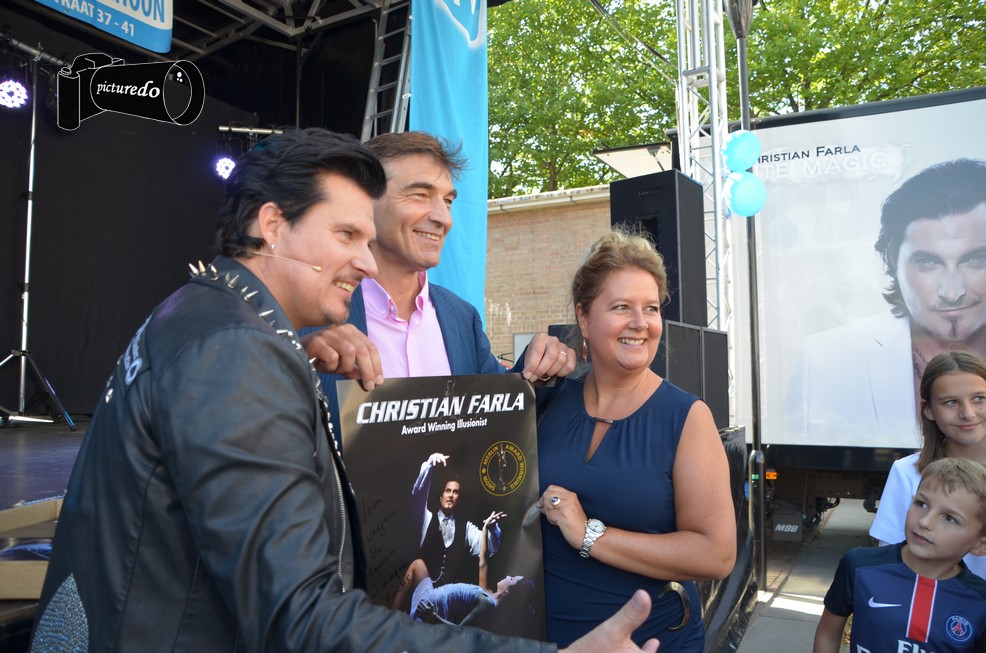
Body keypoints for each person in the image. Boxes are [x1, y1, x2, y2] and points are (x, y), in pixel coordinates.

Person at [28, 128, 660, 653]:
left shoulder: (203, 314)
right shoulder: (236, 348)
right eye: (345, 236)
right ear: (273, 225)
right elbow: (298, 615)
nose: (364, 261)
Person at [533, 227, 736, 650]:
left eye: (651, 308)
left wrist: (590, 534)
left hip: (649, 641)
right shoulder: (552, 399)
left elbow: (717, 554)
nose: (641, 323)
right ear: (584, 317)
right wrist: (527, 368)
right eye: (622, 307)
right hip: (550, 639)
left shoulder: (686, 417)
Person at [301, 131, 576, 444]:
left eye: (447, 201)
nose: (443, 218)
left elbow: (501, 415)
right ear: (364, 202)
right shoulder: (310, 315)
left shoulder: (461, 317)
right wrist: (301, 358)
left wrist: (541, 366)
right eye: (420, 195)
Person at [784, 158, 986, 445]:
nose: (952, 292)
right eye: (927, 262)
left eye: (975, 259)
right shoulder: (825, 360)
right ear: (892, 259)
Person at [814, 458, 986, 653]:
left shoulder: (980, 602)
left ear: (980, 544)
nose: (925, 522)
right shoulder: (859, 566)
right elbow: (827, 634)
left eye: (950, 518)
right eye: (922, 504)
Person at [869, 350, 986, 578]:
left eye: (979, 398)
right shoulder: (907, 472)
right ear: (929, 410)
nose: (968, 413)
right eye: (950, 402)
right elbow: (892, 563)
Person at [394, 511, 530, 629]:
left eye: (512, 579)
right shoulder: (488, 593)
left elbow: (460, 631)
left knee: (417, 566)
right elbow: (483, 563)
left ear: (508, 592)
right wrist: (487, 527)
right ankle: (393, 617)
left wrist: (433, 616)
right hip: (432, 595)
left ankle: (391, 620)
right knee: (418, 565)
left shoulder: (488, 604)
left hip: (431, 608)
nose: (508, 576)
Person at [411, 452, 504, 586]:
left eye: (455, 492)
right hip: (424, 593)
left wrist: (492, 528)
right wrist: (429, 464)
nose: (451, 495)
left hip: (451, 595)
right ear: (441, 497)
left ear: (459, 500)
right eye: (448, 491)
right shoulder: (426, 518)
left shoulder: (466, 527)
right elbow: (418, 494)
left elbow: (489, 548)